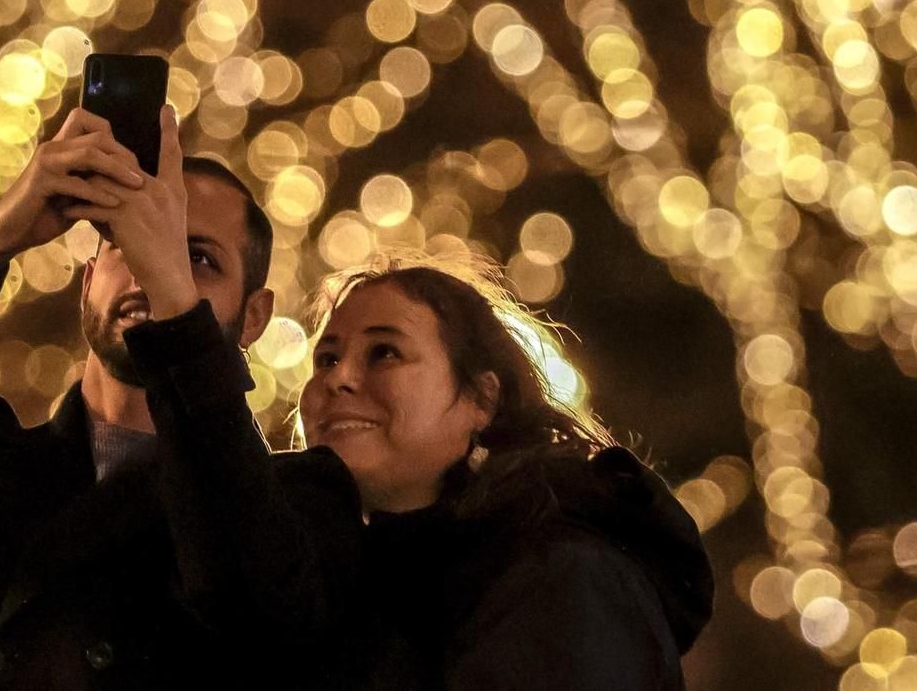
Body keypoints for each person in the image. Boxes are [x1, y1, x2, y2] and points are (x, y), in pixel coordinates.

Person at [0, 103, 361, 691]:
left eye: (197, 259)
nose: (149, 272)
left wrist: (178, 316)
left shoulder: (296, 507)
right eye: (127, 245)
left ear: (254, 316)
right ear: (87, 281)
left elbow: (252, 606)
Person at [300, 260, 713, 689]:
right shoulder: (328, 589)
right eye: (326, 359)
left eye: (384, 352)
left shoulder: (561, 581)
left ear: (481, 399)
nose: (338, 378)